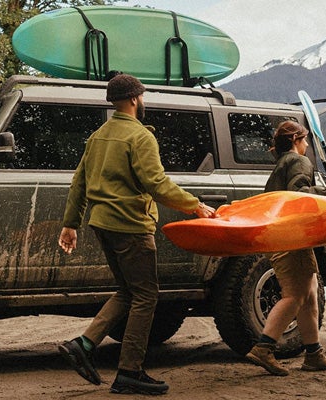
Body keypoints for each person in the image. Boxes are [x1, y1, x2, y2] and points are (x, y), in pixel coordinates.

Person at [57, 73, 215, 395]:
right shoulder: (141, 137)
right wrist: (195, 206)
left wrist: (71, 224)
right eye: (142, 96)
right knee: (146, 296)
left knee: (130, 291)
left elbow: (79, 184)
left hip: (102, 224)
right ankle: (130, 371)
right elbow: (157, 183)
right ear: (134, 99)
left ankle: (84, 344)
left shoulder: (98, 136)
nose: (143, 101)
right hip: (131, 226)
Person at [245, 120, 326, 376]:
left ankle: (314, 353)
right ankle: (264, 347)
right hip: (291, 238)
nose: (307, 145)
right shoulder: (298, 161)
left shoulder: (281, 164)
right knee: (295, 295)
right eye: (304, 140)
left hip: (284, 237)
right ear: (296, 139)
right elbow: (300, 193)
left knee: (309, 293)